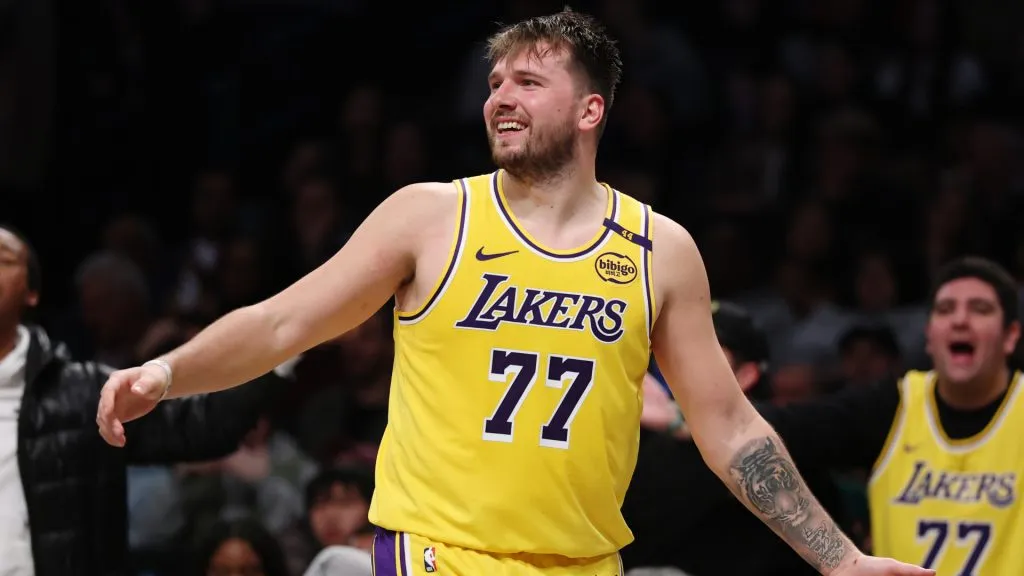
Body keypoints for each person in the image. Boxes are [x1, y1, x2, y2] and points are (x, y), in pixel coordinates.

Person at [96, 10, 929, 576]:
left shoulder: (660, 249)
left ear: (592, 108)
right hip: (435, 556)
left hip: (583, 562)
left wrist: (839, 559)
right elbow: (285, 321)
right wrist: (166, 374)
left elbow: (730, 426)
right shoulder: (431, 216)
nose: (500, 96)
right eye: (495, 83)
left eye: (528, 82)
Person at [0, 224, 282, 576]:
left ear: (31, 291)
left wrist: (283, 347)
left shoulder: (82, 392)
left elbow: (205, 426)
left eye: (3, 258)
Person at [741, 256, 1024, 575]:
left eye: (979, 309)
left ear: (1011, 335)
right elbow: (782, 428)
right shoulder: (894, 404)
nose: (960, 320)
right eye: (945, 310)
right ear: (929, 335)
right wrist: (694, 414)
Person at [623, 301, 843, 575]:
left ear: (747, 375)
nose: (680, 361)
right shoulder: (647, 443)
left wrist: (683, 422)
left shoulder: (789, 451)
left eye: (704, 351)